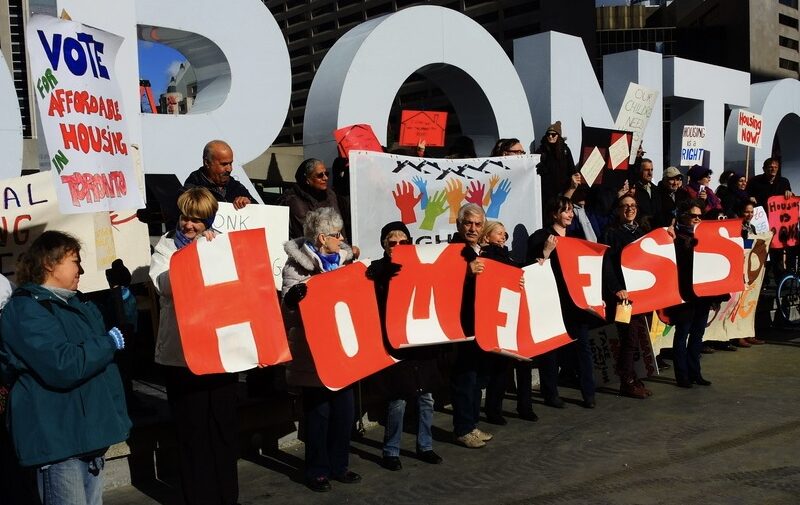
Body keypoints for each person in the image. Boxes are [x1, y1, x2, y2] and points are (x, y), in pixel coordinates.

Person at [0, 231, 130, 505]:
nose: (80, 269)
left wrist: (122, 296)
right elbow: (63, 365)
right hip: (60, 441)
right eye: (74, 260)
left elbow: (117, 333)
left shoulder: (75, 303)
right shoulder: (25, 310)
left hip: (87, 435)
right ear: (49, 263)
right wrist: (107, 344)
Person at [149, 187, 241, 505]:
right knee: (193, 434)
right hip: (182, 357)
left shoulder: (223, 244)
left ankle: (226, 497)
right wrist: (193, 256)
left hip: (222, 354)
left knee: (223, 431)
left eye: (198, 221)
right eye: (186, 218)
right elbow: (165, 285)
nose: (189, 225)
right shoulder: (165, 248)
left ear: (209, 221)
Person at [280, 207, 360, 492]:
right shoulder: (295, 267)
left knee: (344, 413)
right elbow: (289, 314)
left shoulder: (346, 262)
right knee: (319, 415)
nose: (342, 240)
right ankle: (317, 469)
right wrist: (294, 299)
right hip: (313, 352)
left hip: (343, 348)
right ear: (323, 238)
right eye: (337, 235)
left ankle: (340, 465)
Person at [366, 222, 443, 471]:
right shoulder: (375, 271)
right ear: (384, 245)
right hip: (394, 343)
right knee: (397, 400)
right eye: (392, 242)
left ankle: (426, 446)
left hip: (420, 343)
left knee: (426, 398)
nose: (398, 246)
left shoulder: (422, 267)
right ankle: (391, 450)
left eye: (403, 242)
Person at [525, 197, 599, 410]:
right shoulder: (540, 237)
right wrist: (546, 252)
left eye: (570, 211)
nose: (570, 214)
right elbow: (532, 269)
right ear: (554, 214)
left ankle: (588, 393)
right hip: (552, 302)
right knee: (552, 349)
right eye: (565, 211)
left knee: (583, 348)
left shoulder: (576, 237)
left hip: (576, 303)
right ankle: (551, 393)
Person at [664, 199, 728, 388]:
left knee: (698, 334)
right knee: (682, 334)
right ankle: (682, 375)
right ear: (683, 216)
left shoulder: (707, 237)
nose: (697, 219)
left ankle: (695, 372)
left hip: (703, 295)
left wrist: (717, 296)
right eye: (693, 216)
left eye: (700, 216)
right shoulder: (674, 238)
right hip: (684, 295)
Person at [448, 203, 496, 448]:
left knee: (478, 378)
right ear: (459, 225)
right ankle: (463, 428)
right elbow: (441, 283)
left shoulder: (484, 251)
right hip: (462, 325)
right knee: (465, 379)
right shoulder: (452, 251)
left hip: (483, 325)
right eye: (468, 223)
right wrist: (465, 273)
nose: (473, 228)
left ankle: (473, 424)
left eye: (478, 224)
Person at [602, 195, 653, 399]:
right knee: (628, 338)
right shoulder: (611, 233)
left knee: (639, 337)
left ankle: (634, 376)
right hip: (624, 296)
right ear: (618, 210)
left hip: (643, 294)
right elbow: (606, 265)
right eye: (625, 206)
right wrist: (616, 289)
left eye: (633, 205)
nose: (630, 209)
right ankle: (627, 381)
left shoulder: (642, 232)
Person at [746, 157, 795, 281]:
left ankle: (780, 278)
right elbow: (746, 197)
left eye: (775, 167)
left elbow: (790, 200)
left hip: (778, 224)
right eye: (770, 167)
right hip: (761, 222)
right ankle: (762, 279)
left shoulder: (784, 181)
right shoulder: (755, 181)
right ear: (764, 169)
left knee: (777, 250)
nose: (773, 169)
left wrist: (790, 194)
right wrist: (750, 199)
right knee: (761, 249)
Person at [280, 158, 343, 240]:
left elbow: (339, 226)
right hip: (307, 247)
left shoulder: (330, 195)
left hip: (332, 244)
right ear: (307, 179)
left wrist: (346, 247)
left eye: (326, 174)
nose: (325, 178)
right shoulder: (294, 200)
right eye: (320, 175)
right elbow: (307, 235)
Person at [184, 139, 254, 209]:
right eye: (224, 164)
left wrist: (249, 204)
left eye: (230, 163)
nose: (229, 169)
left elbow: (260, 212)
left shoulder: (236, 187)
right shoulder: (190, 191)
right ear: (207, 163)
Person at [535, 121, 576, 209]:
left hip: (563, 190)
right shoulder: (542, 150)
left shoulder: (565, 150)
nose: (550, 136)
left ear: (558, 135)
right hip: (546, 192)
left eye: (553, 134)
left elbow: (571, 168)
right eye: (548, 134)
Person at [633, 158, 664, 227]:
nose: (650, 173)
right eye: (646, 170)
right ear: (640, 171)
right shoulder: (633, 190)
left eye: (651, 170)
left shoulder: (656, 190)